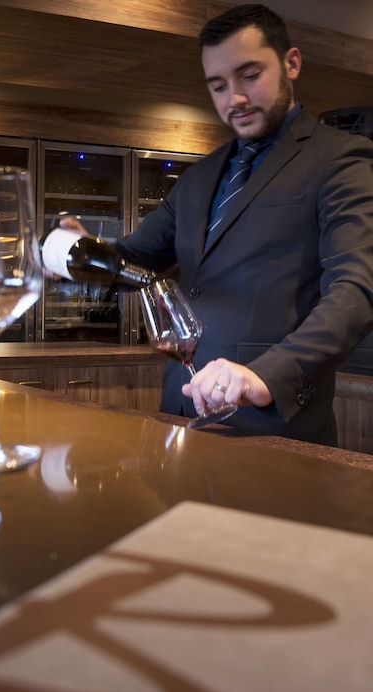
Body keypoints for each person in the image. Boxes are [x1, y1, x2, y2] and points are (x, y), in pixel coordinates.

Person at [62, 3, 373, 445]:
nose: (235, 98)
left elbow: (356, 289)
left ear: (291, 64)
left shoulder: (340, 158)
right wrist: (76, 252)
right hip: (180, 412)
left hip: (272, 426)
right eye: (219, 86)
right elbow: (132, 259)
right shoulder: (200, 176)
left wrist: (268, 375)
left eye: (250, 75)